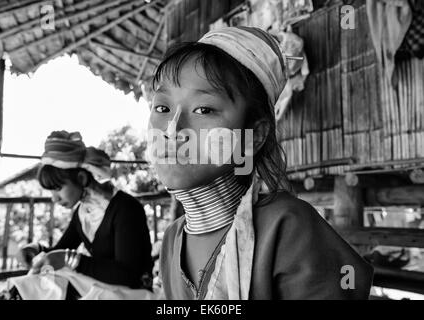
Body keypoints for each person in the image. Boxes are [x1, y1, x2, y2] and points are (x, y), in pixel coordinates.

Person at [148, 26, 374, 299]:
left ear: (253, 136)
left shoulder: (288, 228)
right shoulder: (173, 240)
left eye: (204, 110)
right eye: (162, 108)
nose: (172, 130)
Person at [17, 131, 153, 291]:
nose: (55, 199)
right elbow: (60, 251)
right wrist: (35, 250)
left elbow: (128, 275)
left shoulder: (126, 208)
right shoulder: (82, 213)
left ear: (81, 178)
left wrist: (70, 260)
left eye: (58, 188)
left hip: (134, 294)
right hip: (107, 291)